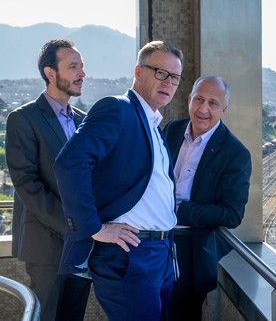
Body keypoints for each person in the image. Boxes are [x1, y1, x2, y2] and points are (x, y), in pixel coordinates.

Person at [53, 40, 184, 320]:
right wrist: (93, 227)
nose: (168, 82)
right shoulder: (117, 109)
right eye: (160, 73)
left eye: (175, 77)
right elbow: (69, 163)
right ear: (138, 72)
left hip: (160, 253)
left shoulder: (153, 125)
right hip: (129, 255)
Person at [5, 39, 91, 321]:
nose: (82, 73)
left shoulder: (83, 121)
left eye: (82, 66)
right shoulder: (23, 118)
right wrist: (74, 226)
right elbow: (27, 185)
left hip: (83, 244)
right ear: (50, 73)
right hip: (46, 244)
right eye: (73, 67)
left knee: (73, 316)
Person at [163, 74, 251, 320]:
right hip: (153, 240)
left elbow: (232, 214)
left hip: (190, 249)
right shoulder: (172, 130)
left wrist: (180, 211)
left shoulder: (235, 153)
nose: (203, 109)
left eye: (213, 103)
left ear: (224, 109)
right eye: (199, 99)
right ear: (189, 99)